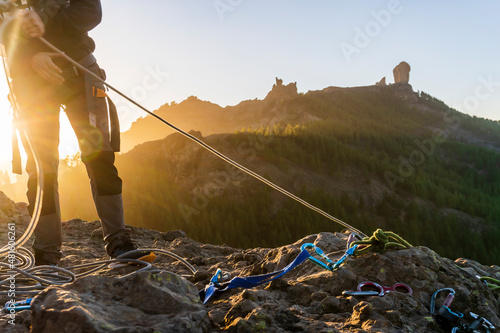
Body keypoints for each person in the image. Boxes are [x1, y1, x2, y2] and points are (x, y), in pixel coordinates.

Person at [1, 0, 151, 266]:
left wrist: (40, 22)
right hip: (30, 80)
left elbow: (91, 12)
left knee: (99, 155)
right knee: (41, 168)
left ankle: (118, 242)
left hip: (78, 70)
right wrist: (30, 55)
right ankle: (47, 253)